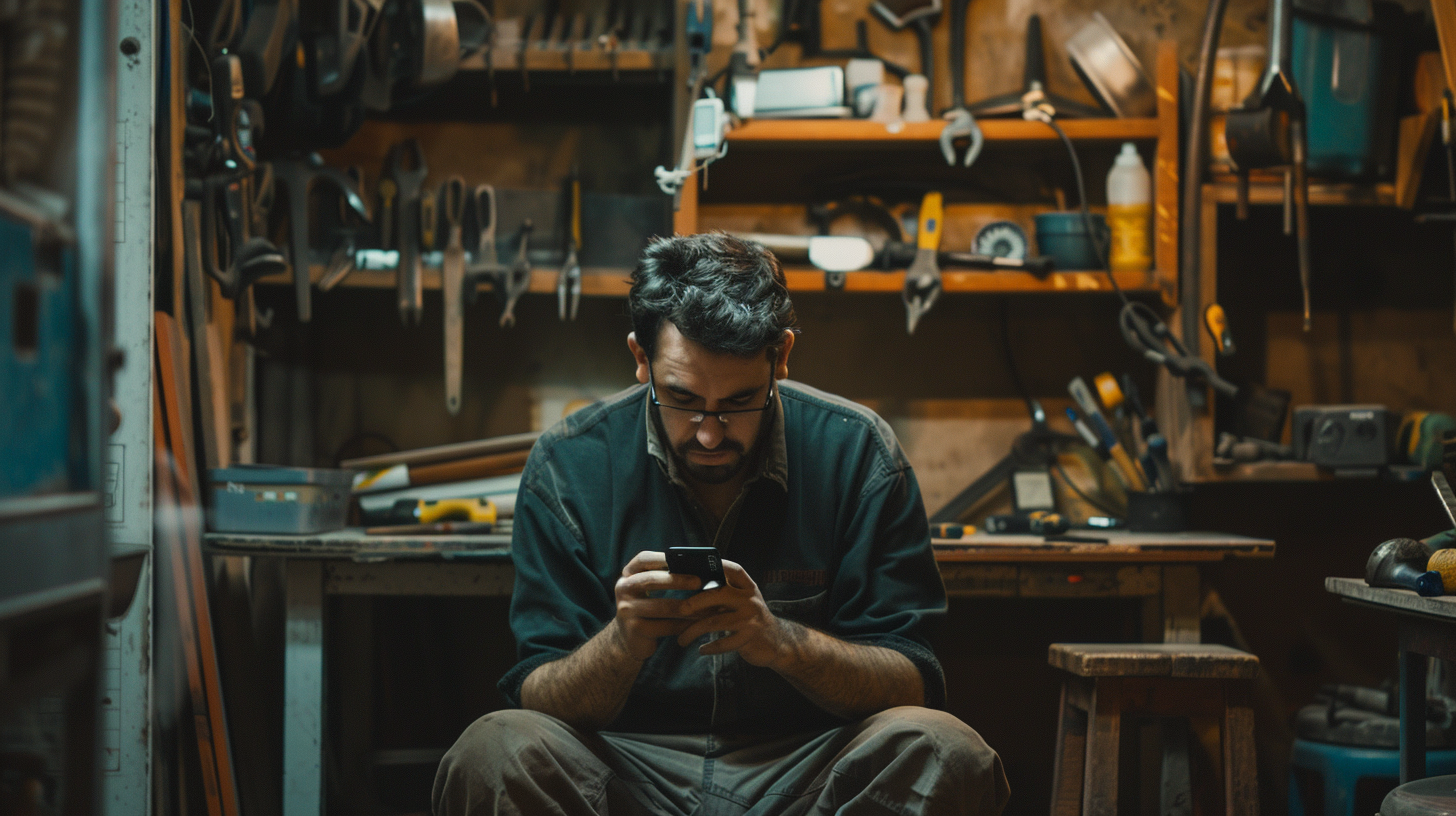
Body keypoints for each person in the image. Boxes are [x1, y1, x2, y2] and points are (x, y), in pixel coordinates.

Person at [433, 233, 1010, 816]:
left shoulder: (858, 454)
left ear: (781, 356)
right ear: (640, 358)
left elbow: (915, 680)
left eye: (738, 402)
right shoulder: (569, 466)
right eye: (682, 399)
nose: (709, 433)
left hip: (805, 770)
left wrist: (781, 642)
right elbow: (537, 691)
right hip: (626, 770)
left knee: (946, 751)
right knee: (493, 749)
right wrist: (622, 644)